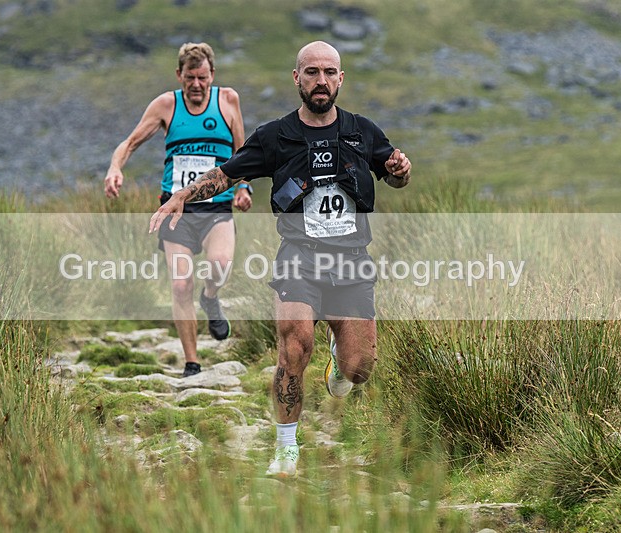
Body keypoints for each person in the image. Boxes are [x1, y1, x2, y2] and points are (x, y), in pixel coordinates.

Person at [149, 41, 411, 476]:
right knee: (293, 350)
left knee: (359, 368)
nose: (321, 81)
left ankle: (339, 360)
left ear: (341, 78)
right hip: (298, 259)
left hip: (351, 260)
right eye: (312, 72)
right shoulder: (275, 136)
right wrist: (182, 196)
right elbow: (226, 173)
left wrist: (401, 172)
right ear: (296, 78)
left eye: (329, 72)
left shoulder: (362, 131)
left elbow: (395, 174)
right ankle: (286, 449)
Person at [105, 42, 253, 377]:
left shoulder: (228, 100)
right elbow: (129, 143)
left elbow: (242, 153)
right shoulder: (166, 105)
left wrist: (244, 187)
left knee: (220, 265)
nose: (196, 84)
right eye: (190, 78)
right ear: (179, 75)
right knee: (180, 285)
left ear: (212, 75)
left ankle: (210, 297)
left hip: (216, 206)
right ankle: (192, 362)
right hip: (176, 209)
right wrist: (115, 167)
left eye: (203, 77)